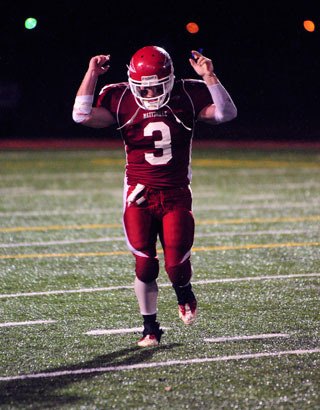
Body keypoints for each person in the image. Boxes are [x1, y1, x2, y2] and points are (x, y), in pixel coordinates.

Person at [72, 45, 237, 347]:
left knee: (175, 266)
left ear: (170, 79)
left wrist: (210, 76)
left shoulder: (188, 93)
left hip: (175, 194)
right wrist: (92, 73)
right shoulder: (121, 96)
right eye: (143, 89)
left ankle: (184, 290)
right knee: (145, 265)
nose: (149, 95)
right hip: (139, 195)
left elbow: (226, 113)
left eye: (155, 88)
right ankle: (150, 328)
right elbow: (81, 115)